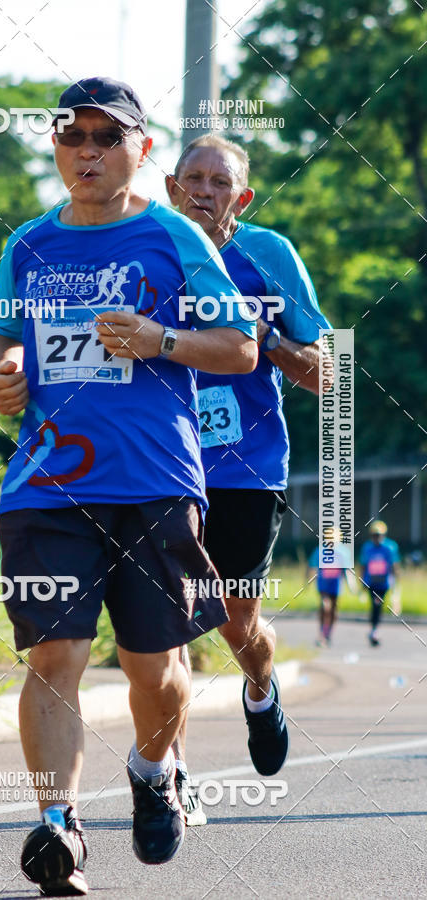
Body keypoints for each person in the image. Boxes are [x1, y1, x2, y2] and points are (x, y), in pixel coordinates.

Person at [0, 80, 257, 895]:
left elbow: (239, 348)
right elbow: (4, 346)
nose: (88, 150)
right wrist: (4, 377)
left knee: (155, 672)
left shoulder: (173, 236)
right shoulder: (28, 245)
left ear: (141, 147)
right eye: (73, 136)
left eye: (108, 136)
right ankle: (58, 828)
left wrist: (160, 338)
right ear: (57, 149)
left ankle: (149, 768)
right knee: (55, 652)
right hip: (48, 484)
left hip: (154, 481)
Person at [165, 134, 332, 825]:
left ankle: (259, 687)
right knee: (163, 620)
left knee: (237, 619)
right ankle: (169, 777)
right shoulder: (150, 248)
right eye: (192, 179)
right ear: (172, 189)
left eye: (219, 181)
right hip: (162, 462)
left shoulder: (269, 256)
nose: (204, 190)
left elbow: (329, 373)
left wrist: (267, 342)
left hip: (248, 465)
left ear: (243, 195)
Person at [308, 527, 356, 646]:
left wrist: (352, 586)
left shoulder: (343, 552)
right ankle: (321, 634)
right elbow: (311, 567)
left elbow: (348, 571)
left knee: (334, 610)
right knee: (325, 607)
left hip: (336, 586)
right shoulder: (319, 551)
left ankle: (328, 633)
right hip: (323, 585)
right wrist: (307, 582)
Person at [360, 520, 400, 646]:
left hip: (384, 582)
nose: (377, 538)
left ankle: (374, 629)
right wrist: (362, 583)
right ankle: (374, 629)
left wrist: (396, 584)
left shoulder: (390, 547)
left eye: (379, 535)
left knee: (378, 604)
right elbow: (363, 565)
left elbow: (394, 566)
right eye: (375, 535)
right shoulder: (367, 548)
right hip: (371, 582)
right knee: (375, 604)